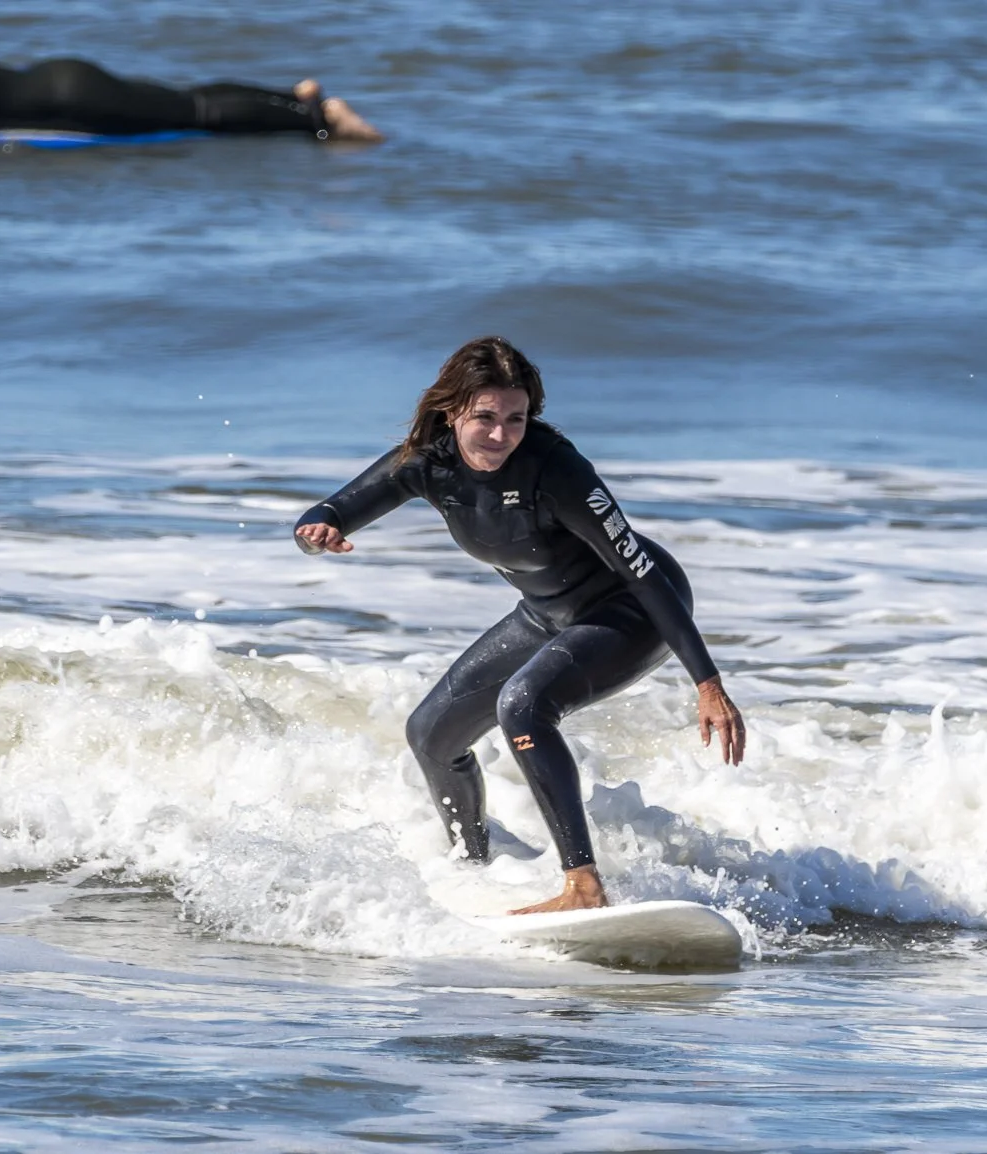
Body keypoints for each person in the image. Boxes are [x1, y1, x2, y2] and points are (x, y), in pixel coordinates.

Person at [294, 337, 746, 914]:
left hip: (630, 608)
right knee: (431, 735)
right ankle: (472, 864)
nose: (501, 435)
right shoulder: (426, 463)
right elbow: (327, 514)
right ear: (451, 411)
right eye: (484, 417)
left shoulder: (555, 470)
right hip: (544, 614)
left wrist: (706, 682)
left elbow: (641, 571)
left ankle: (583, 886)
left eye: (516, 418)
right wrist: (317, 537)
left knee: (523, 704)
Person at [0, 10, 382, 141]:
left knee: (194, 114)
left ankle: (317, 118)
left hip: (75, 98)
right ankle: (291, 96)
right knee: (183, 102)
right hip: (63, 88)